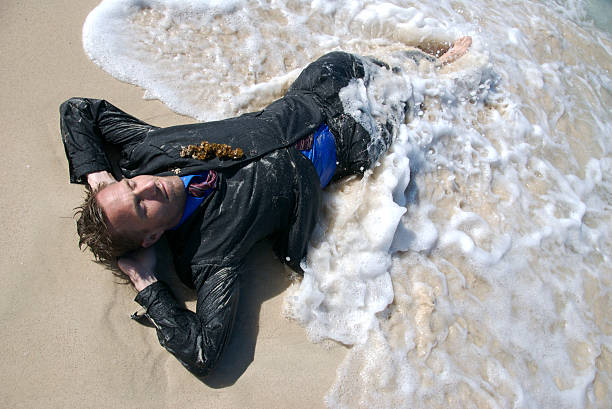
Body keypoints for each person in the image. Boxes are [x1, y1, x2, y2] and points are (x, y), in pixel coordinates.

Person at [60, 39, 471, 377]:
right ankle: (460, 77)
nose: (149, 188)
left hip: (323, 84)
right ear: (151, 237)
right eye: (141, 207)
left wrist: (100, 179)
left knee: (406, 61)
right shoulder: (209, 254)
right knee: (434, 97)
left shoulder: (148, 150)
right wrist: (148, 286)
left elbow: (78, 111)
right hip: (355, 140)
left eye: (132, 185)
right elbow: (205, 352)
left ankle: (435, 52)